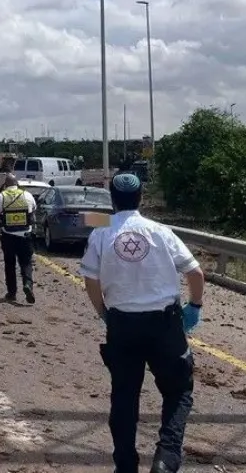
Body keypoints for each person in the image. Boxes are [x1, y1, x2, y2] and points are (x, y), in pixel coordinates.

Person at [80, 173, 206, 473]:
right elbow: (196, 274)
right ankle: (166, 456)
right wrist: (194, 307)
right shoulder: (160, 230)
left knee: (124, 397)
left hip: (122, 325)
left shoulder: (102, 229)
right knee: (178, 392)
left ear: (112, 199)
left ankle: (125, 465)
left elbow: (90, 278)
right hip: (164, 325)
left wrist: (104, 313)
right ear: (141, 197)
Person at [0, 174, 36, 303]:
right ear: (17, 184)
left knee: (10, 264)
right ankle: (28, 285)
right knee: (26, 263)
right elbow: (33, 210)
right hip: (25, 235)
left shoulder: (1, 197)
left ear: (6, 184)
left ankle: (12, 293)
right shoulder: (27, 195)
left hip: (8, 236)